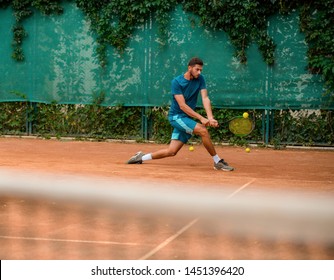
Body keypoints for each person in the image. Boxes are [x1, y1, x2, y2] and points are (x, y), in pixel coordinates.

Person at [127, 57, 234, 171]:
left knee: (172, 151)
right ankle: (217, 161)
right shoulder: (177, 82)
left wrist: (210, 117)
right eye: (197, 69)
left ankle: (141, 157)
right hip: (176, 117)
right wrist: (201, 118)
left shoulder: (200, 79)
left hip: (186, 119)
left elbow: (205, 97)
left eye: (201, 70)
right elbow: (182, 106)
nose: (199, 72)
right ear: (189, 68)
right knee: (203, 131)